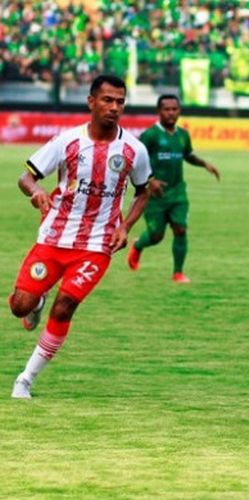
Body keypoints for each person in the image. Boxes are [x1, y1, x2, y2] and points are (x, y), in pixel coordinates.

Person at [7, 75, 152, 399]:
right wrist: (36, 193)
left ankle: (26, 380)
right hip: (54, 238)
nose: (114, 107)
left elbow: (143, 192)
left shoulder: (134, 150)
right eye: (107, 100)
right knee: (20, 306)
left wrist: (125, 225)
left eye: (120, 101)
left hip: (96, 246)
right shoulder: (67, 141)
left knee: (65, 307)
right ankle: (35, 302)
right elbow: (25, 176)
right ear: (91, 102)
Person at [127, 94, 220, 283]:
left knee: (180, 229)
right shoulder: (150, 135)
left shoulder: (183, 134)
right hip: (155, 195)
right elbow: (135, 161)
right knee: (156, 235)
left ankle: (178, 273)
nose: (171, 113)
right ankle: (138, 246)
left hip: (178, 192)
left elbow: (187, 154)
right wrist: (150, 180)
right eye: (167, 109)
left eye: (174, 109)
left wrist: (205, 164)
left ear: (179, 111)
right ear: (159, 111)